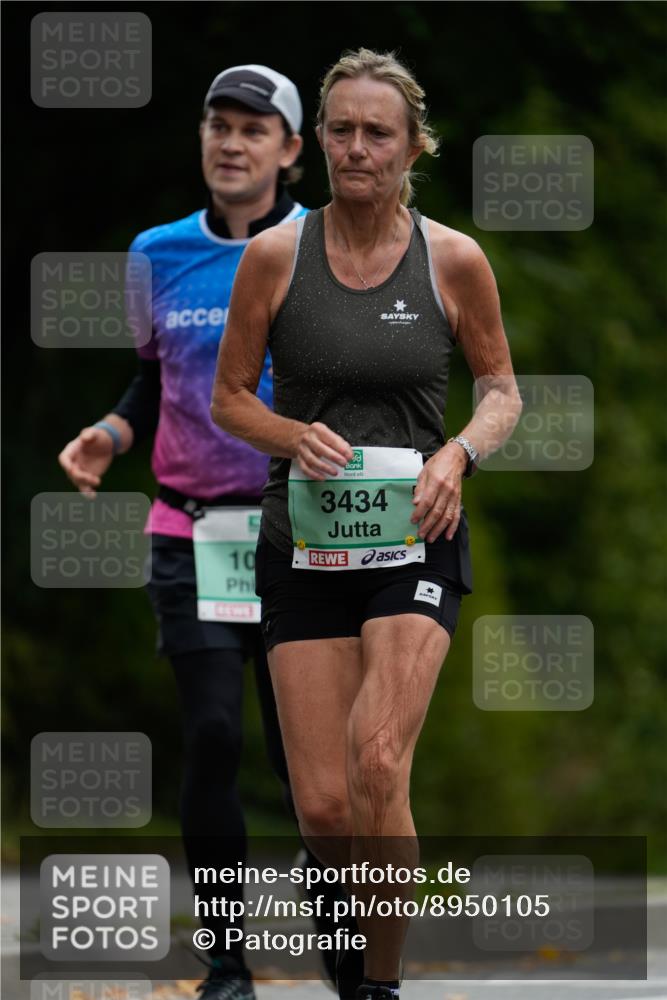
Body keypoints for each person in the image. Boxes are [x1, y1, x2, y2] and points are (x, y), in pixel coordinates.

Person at [210, 48, 523, 1000]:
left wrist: (456, 454)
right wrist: (289, 434)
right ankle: (352, 975)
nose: (356, 147)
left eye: (376, 132)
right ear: (319, 144)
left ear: (411, 146)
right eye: (340, 129)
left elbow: (501, 391)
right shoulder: (274, 256)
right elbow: (229, 400)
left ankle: (379, 992)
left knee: (380, 759)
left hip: (416, 535)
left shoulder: (453, 259)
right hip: (301, 542)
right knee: (324, 807)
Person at [58, 64, 338, 1000]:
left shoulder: (321, 248)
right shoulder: (156, 253)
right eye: (218, 125)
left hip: (302, 532)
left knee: (303, 758)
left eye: (254, 130)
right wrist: (108, 434)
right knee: (213, 731)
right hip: (192, 531)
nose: (231, 143)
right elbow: (154, 378)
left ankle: (341, 927)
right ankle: (227, 959)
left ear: (290, 152)